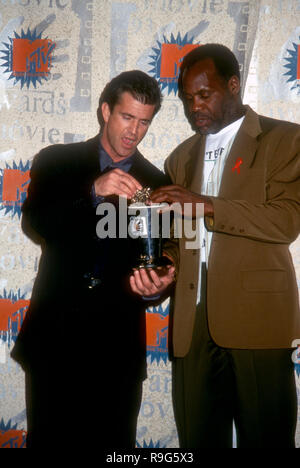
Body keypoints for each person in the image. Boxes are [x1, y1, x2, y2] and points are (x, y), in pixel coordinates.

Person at [130, 44, 300, 448]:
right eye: (188, 99)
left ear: (234, 85)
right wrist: (166, 264)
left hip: (257, 323)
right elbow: (179, 235)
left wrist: (205, 205)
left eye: (204, 95)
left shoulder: (284, 140)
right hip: (191, 327)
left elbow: (286, 221)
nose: (194, 107)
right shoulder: (180, 157)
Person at [11, 70, 174, 448]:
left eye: (145, 121)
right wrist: (92, 193)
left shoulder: (157, 184)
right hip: (55, 340)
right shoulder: (57, 161)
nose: (134, 130)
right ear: (105, 111)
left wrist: (160, 284)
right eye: (127, 117)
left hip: (117, 352)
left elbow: (160, 259)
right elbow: (38, 223)